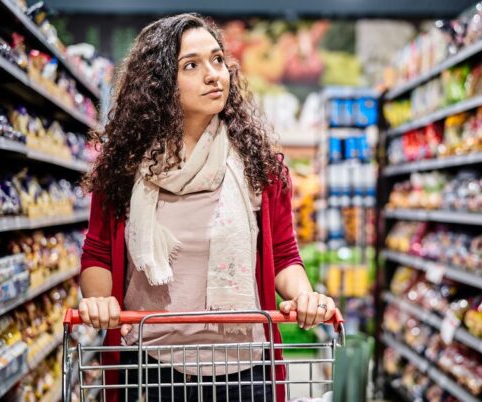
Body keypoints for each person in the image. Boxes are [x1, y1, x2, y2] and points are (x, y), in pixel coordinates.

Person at [77, 13, 336, 402]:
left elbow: (283, 255)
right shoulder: (123, 170)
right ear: (160, 83)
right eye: (191, 66)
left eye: (218, 60)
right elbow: (97, 253)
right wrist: (99, 299)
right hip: (150, 365)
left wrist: (304, 295)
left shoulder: (260, 167)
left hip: (244, 366)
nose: (214, 74)